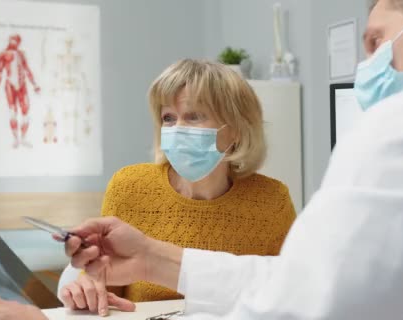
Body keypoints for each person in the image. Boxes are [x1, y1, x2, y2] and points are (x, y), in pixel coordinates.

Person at [0, 0, 403, 318]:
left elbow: (301, 301)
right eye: (169, 118)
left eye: (377, 41)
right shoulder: (132, 187)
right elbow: (303, 287)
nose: (368, 65)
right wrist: (140, 262)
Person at [56, 59, 297, 316]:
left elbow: (292, 295)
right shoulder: (130, 187)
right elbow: (103, 282)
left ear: (236, 129)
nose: (178, 129)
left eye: (194, 116)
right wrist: (89, 288)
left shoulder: (271, 201)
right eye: (168, 118)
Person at [0, 34, 41, 148]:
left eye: (16, 41)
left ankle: (23, 139)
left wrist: (34, 84)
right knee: (13, 112)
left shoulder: (21, 54)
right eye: (12, 41)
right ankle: (16, 139)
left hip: (22, 85)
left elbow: (27, 69)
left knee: (25, 111)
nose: (13, 43)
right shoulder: (4, 55)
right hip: (10, 85)